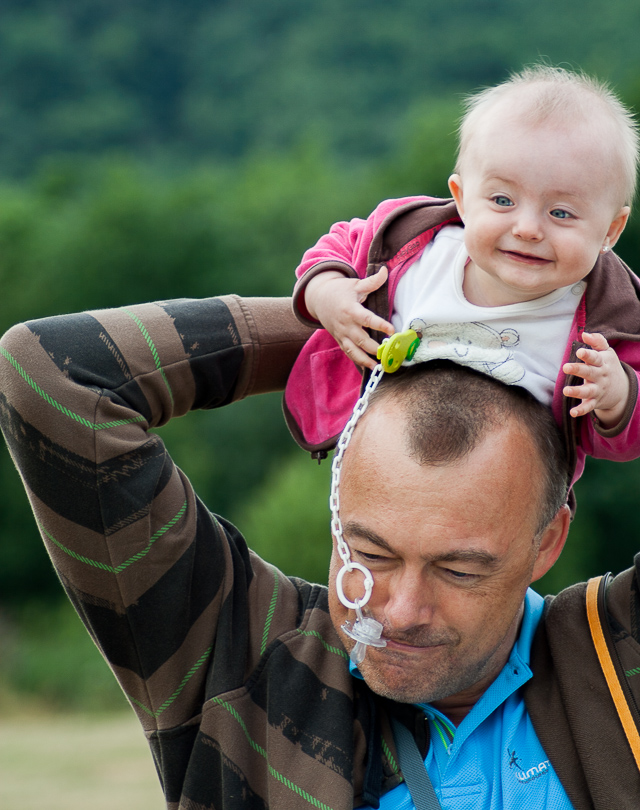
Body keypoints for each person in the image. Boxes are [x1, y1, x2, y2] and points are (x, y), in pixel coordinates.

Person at [1, 294, 639, 809]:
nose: (402, 610)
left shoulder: (618, 658)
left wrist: (602, 365)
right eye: (372, 554)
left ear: (547, 540)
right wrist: (361, 327)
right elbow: (50, 377)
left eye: (459, 569)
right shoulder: (246, 657)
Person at [284, 65, 640, 494]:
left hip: (499, 510)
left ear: (611, 231)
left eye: (561, 212)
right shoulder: (417, 246)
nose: (527, 228)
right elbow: (339, 244)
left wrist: (617, 394)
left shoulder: (609, 321)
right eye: (503, 200)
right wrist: (326, 293)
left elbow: (626, 438)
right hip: (375, 472)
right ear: (462, 198)